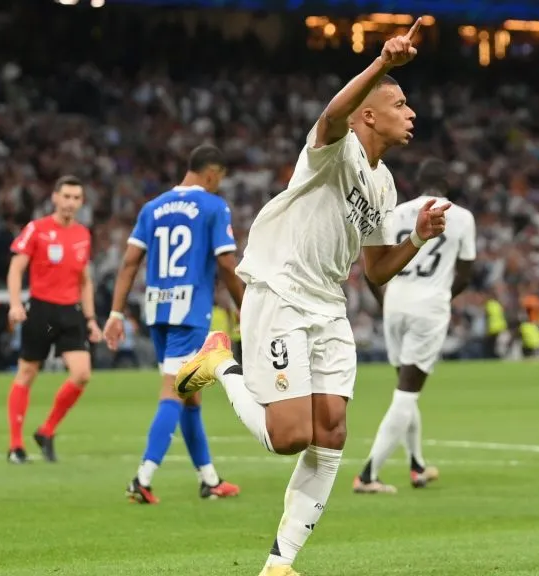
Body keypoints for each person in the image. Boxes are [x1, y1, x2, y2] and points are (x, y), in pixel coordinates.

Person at [173, 19, 450, 576]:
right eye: (400, 102)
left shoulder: (386, 184)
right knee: (289, 437)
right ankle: (220, 362)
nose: (412, 113)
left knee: (332, 433)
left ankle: (280, 563)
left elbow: (376, 271)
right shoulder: (334, 147)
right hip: (280, 290)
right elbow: (330, 116)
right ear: (369, 114)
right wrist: (381, 65)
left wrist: (416, 236)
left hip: (328, 306)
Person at [103, 145, 244, 504]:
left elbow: (130, 262)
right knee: (174, 392)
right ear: (212, 174)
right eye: (219, 180)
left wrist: (116, 314)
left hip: (158, 311)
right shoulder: (213, 206)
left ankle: (209, 480)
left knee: (190, 396)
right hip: (190, 313)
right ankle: (142, 479)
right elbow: (227, 264)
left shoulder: (153, 208)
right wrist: (245, 305)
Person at [352, 157, 475, 494]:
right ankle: (368, 474)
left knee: (404, 389)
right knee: (407, 393)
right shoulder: (461, 217)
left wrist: (386, 303)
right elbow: (464, 274)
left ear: (418, 182)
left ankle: (417, 465)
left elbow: (371, 267)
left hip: (395, 302)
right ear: (446, 185)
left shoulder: (398, 212)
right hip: (429, 306)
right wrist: (439, 298)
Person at [5, 175, 102, 464]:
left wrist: (91, 319)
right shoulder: (36, 229)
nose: (71, 202)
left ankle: (46, 431)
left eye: (76, 198)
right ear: (55, 198)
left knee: (82, 374)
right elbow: (15, 268)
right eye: (67, 196)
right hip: (42, 310)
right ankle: (15, 446)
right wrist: (14, 304)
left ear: (81, 202)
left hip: (70, 312)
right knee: (27, 373)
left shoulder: (83, 234)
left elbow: (85, 281)